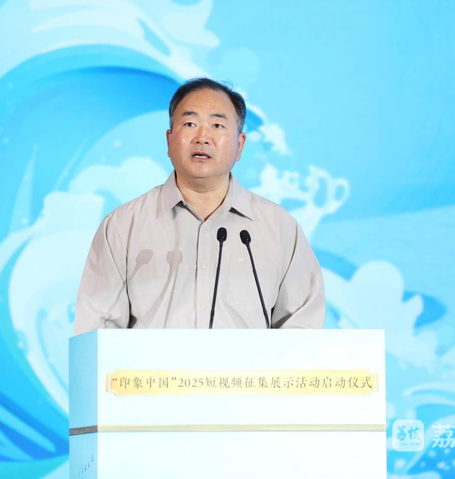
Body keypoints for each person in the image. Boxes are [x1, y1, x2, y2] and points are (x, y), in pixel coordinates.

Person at [73, 78, 324, 335]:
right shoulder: (123, 226)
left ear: (239, 145)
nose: (202, 138)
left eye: (217, 125)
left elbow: (303, 327)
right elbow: (96, 330)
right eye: (190, 124)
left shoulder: (279, 228)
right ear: (169, 140)